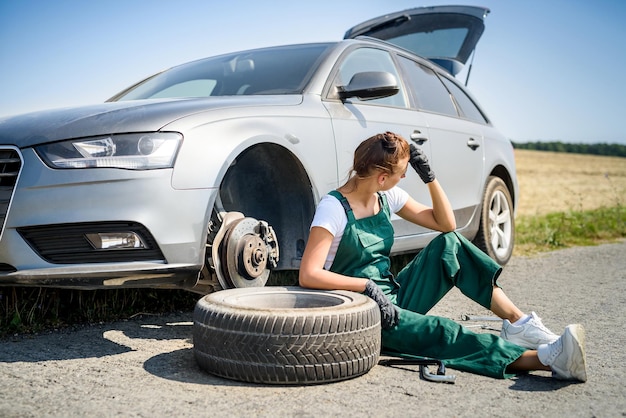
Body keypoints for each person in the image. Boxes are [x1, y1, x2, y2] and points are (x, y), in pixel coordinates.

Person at [298, 131, 587, 381]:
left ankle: (519, 324)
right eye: (402, 174)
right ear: (383, 177)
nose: (404, 177)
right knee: (442, 331)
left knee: (449, 244)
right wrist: (364, 287)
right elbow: (309, 274)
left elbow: (446, 225)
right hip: (361, 312)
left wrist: (430, 178)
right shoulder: (333, 209)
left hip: (392, 297)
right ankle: (547, 360)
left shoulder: (386, 196)